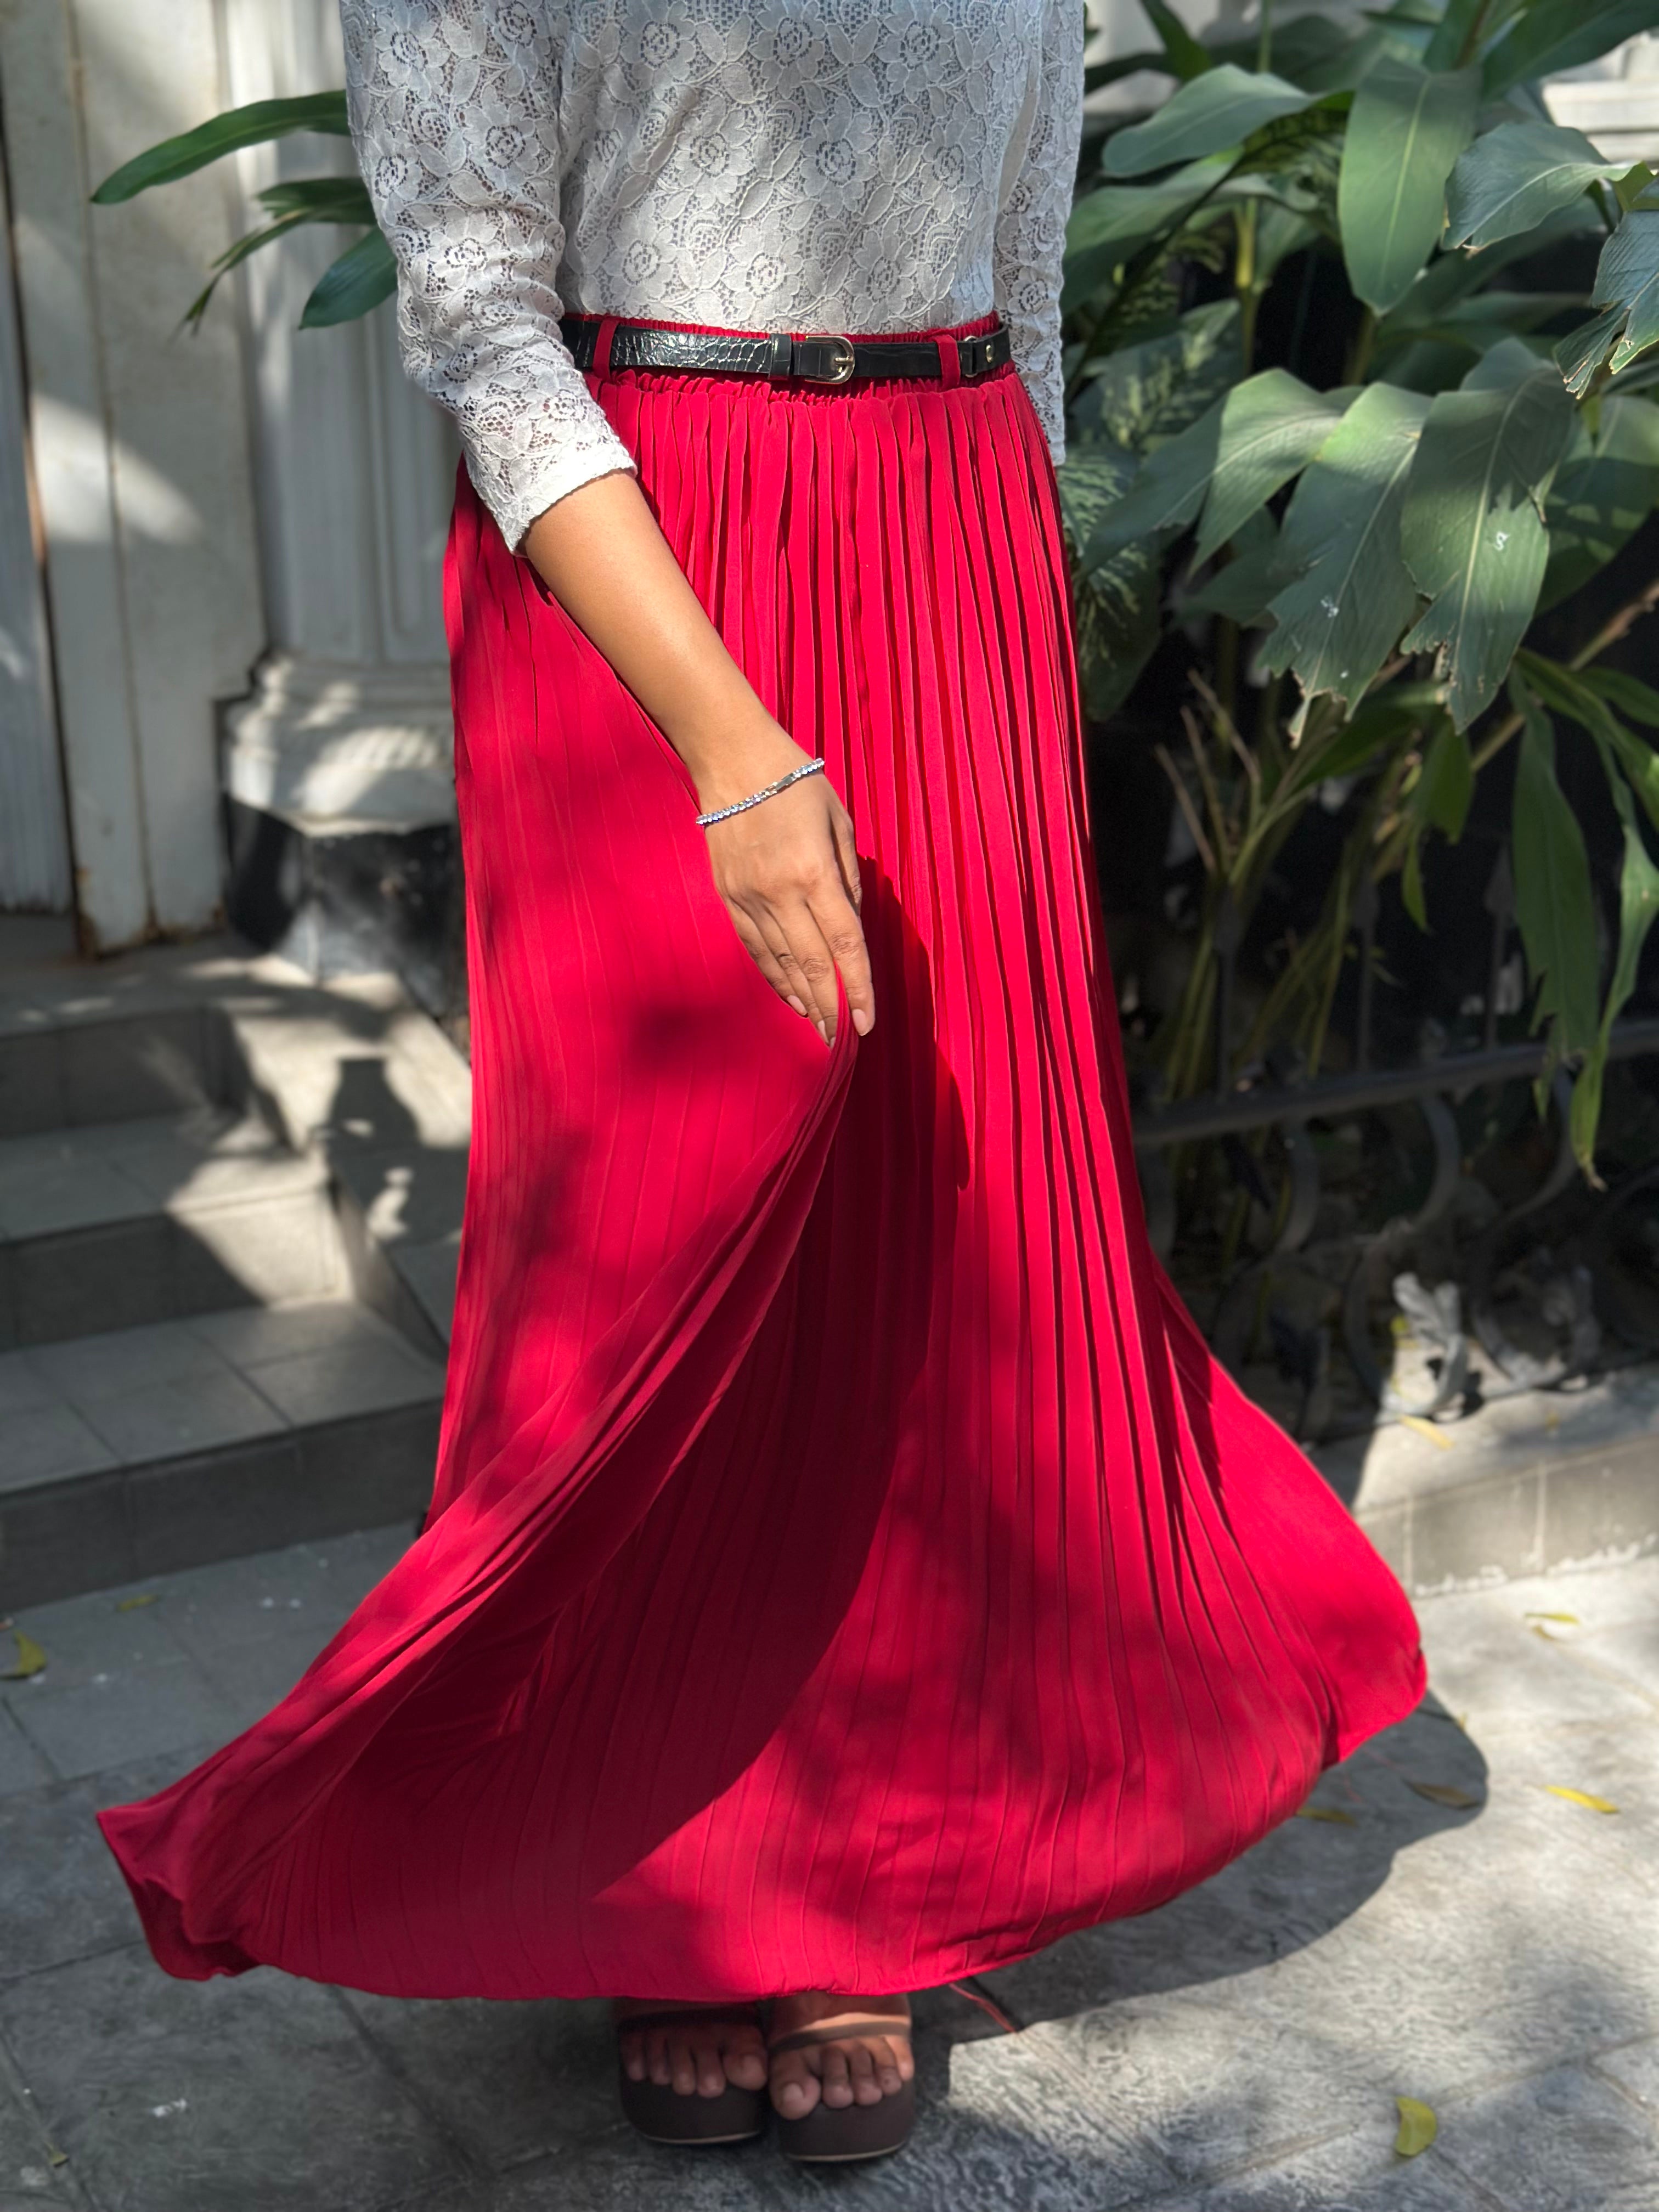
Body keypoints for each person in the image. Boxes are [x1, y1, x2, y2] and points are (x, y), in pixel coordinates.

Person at [98, 0, 1426, 2170]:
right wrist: (731, 749)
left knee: (943, 1223)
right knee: (663, 1235)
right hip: (651, 561)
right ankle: (659, 1855)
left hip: (952, 532)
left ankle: (861, 1864)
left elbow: (1026, 271)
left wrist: (1007, 641)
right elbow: (479, 313)